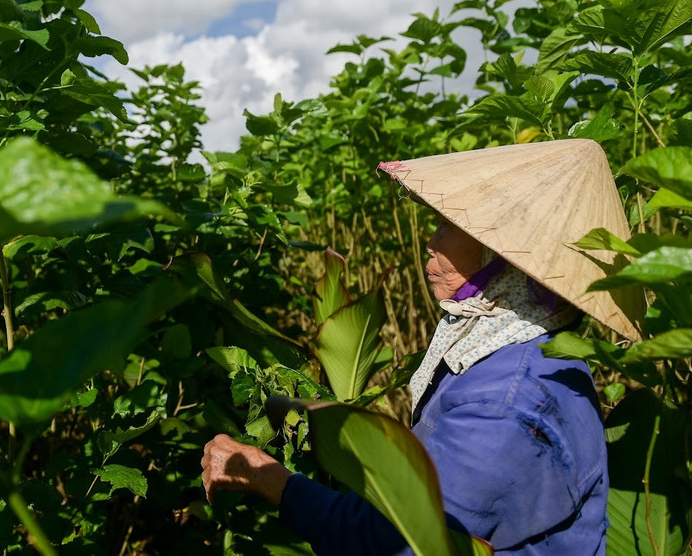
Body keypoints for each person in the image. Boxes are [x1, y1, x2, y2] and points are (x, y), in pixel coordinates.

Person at [201, 139, 643, 555]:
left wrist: (266, 477)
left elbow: (391, 540)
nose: (431, 243)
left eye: (449, 226)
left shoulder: (507, 404)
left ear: (504, 258)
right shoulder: (509, 346)